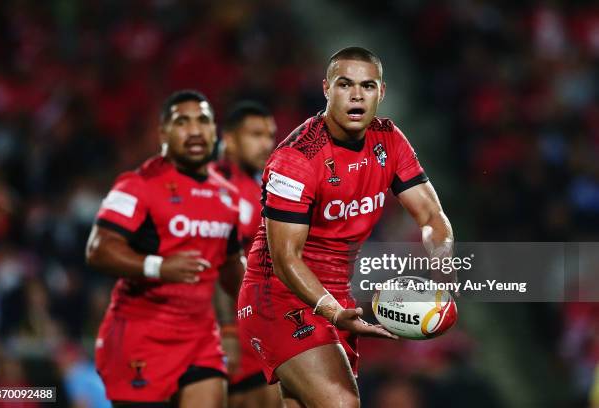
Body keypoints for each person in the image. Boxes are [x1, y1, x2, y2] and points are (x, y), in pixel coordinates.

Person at [237, 47, 454, 408]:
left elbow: (432, 216)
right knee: (341, 403)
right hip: (277, 297)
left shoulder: (390, 140)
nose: (356, 94)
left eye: (367, 85)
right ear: (326, 89)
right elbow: (284, 259)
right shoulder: (296, 159)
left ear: (380, 93)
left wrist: (443, 260)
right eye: (345, 84)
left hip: (338, 297)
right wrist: (332, 311)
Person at [86, 90, 245, 407]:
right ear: (163, 133)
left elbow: (228, 267)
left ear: (215, 131)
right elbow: (98, 249)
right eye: (182, 122)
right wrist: (158, 267)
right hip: (140, 337)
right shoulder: (136, 184)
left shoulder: (227, 196)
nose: (195, 130)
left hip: (199, 336)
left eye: (203, 121)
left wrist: (247, 315)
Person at [211, 101, 280, 407]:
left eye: (269, 135)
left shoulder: (255, 187)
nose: (266, 144)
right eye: (255, 135)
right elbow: (217, 262)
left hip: (257, 325)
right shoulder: (220, 189)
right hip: (227, 331)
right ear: (229, 138)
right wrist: (227, 330)